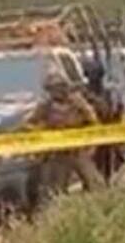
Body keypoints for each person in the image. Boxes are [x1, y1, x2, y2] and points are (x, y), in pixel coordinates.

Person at [25, 69, 105, 204]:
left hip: (78, 149)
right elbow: (29, 124)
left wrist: (90, 144)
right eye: (53, 88)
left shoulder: (77, 102)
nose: (58, 91)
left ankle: (102, 203)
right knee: (56, 188)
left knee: (94, 182)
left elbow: (93, 121)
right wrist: (42, 132)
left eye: (60, 87)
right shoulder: (46, 106)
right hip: (58, 152)